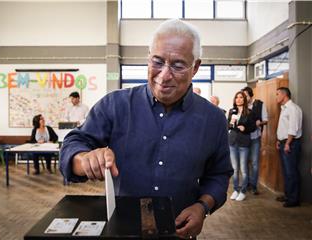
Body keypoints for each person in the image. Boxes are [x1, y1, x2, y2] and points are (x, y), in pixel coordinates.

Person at [60, 19, 233, 239]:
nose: (164, 75)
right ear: (148, 57)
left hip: (178, 232)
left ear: (195, 67)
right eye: (157, 62)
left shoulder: (213, 119)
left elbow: (218, 174)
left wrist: (202, 207)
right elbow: (73, 144)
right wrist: (82, 158)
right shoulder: (115, 105)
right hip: (121, 230)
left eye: (178, 65)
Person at [275, 87, 302, 208]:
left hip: (291, 143)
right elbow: (283, 128)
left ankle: (293, 199)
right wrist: (279, 140)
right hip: (283, 142)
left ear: (284, 95)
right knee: (286, 171)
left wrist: (287, 143)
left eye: (277, 94)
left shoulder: (293, 109)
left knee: (291, 172)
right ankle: (288, 195)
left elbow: (293, 128)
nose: (276, 97)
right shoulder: (284, 108)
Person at [227, 91, 256, 201]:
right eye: (236, 97)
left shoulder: (249, 112)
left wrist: (245, 128)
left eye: (241, 97)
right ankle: (235, 189)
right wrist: (231, 123)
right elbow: (228, 126)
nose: (238, 99)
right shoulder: (231, 111)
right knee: (234, 169)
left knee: (243, 169)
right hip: (233, 142)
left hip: (244, 142)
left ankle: (243, 191)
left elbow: (253, 127)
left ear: (244, 100)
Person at [242, 86, 268, 195]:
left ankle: (254, 186)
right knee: (245, 163)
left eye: (246, 96)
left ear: (251, 95)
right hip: (244, 138)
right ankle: (246, 183)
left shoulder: (260, 104)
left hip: (255, 137)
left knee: (255, 163)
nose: (244, 98)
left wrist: (259, 123)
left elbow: (266, 120)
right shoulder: (242, 106)